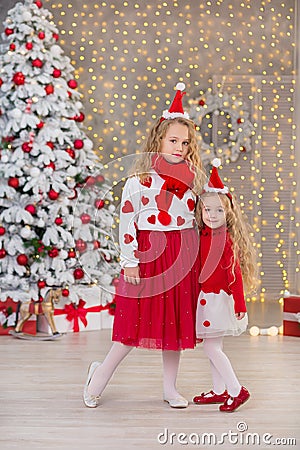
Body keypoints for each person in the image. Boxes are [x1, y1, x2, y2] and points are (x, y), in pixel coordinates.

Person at [83, 83, 205, 408]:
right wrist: (130, 261)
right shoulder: (139, 182)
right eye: (173, 140)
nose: (179, 147)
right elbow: (127, 223)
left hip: (180, 257)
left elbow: (193, 222)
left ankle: (170, 388)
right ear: (158, 140)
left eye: (185, 142)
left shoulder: (192, 182)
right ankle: (98, 379)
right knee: (131, 330)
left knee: (174, 329)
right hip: (147, 257)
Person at [193, 158, 257, 412]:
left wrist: (239, 302)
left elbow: (235, 274)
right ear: (200, 211)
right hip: (206, 298)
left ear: (228, 213)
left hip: (220, 300)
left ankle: (235, 389)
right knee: (213, 346)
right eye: (208, 210)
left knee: (212, 347)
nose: (212, 215)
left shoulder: (225, 240)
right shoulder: (203, 235)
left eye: (219, 210)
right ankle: (219, 390)